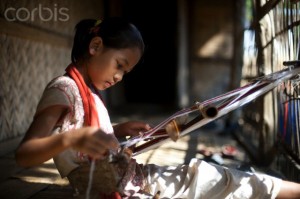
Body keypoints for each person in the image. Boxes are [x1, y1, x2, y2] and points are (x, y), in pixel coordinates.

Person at [15, 17, 300, 199]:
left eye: (125, 72)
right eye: (120, 66)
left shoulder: (85, 93)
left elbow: (77, 134)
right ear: (96, 46)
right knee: (212, 179)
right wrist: (73, 139)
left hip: (132, 180)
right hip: (125, 188)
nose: (119, 77)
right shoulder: (63, 89)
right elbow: (25, 154)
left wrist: (115, 130)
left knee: (210, 176)